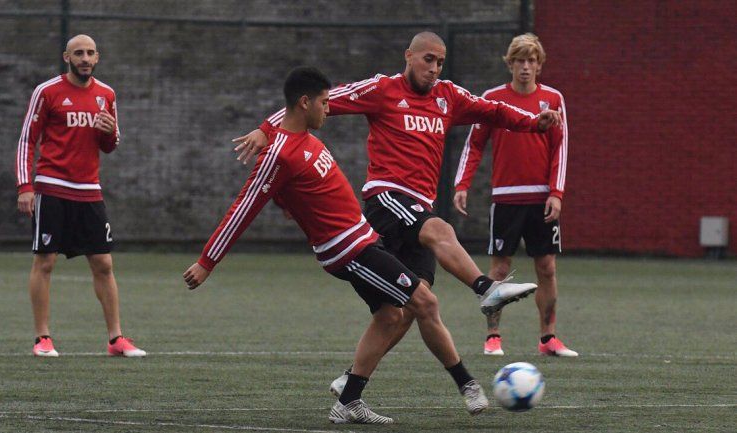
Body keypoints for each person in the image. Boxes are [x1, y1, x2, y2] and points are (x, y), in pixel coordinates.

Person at [183, 66, 529, 424]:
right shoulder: (280, 153)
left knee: (391, 315)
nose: (329, 109)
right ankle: (468, 383)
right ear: (304, 103)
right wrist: (207, 261)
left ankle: (348, 399)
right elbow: (244, 207)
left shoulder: (305, 140)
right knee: (425, 301)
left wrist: (290, 205)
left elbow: (294, 193)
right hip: (350, 251)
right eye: (323, 103)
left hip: (363, 240)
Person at [233, 32, 562, 393]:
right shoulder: (382, 90)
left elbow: (494, 112)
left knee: (409, 309)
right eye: (428, 59)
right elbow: (314, 101)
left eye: (440, 62)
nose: (434, 68)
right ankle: (486, 289)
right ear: (409, 55)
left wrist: (534, 122)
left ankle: (351, 380)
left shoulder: (448, 96)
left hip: (420, 208)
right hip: (387, 200)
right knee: (440, 232)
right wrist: (267, 129)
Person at [15, 34, 145, 358]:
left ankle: (116, 339)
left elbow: (111, 144)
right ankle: (42, 338)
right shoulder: (47, 92)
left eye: (89, 53)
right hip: (52, 187)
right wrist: (25, 187)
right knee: (45, 261)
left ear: (97, 58)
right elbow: (26, 141)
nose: (84, 58)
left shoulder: (107, 94)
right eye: (78, 53)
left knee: (103, 263)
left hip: (89, 191)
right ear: (66, 57)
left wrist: (109, 130)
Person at [453, 33, 577, 357]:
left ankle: (548, 339)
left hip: (541, 199)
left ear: (539, 65)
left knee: (547, 268)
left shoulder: (553, 99)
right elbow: (474, 144)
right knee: (498, 270)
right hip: (506, 198)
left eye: (531, 61)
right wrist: (461, 184)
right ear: (510, 64)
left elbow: (560, 148)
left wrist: (557, 192)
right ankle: (493, 337)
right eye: (519, 61)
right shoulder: (493, 98)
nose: (525, 67)